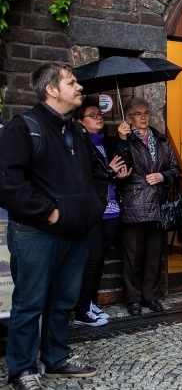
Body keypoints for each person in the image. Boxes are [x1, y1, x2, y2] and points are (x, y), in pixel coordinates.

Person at [0, 62, 107, 390]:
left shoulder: (75, 130)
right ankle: (21, 370)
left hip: (76, 233)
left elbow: (98, 173)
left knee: (62, 301)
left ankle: (56, 358)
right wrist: (51, 212)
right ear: (51, 90)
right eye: (72, 82)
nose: (79, 87)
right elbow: (8, 185)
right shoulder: (23, 128)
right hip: (35, 234)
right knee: (29, 304)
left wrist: (93, 208)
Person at [116, 97, 181, 316]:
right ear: (129, 118)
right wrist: (123, 141)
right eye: (138, 114)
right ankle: (133, 299)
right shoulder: (124, 140)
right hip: (134, 202)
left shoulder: (160, 139)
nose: (143, 117)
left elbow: (175, 168)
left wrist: (162, 176)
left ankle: (149, 296)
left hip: (157, 203)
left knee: (154, 254)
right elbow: (120, 170)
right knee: (133, 255)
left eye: (146, 113)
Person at [73, 97, 132, 326]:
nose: (99, 118)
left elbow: (122, 162)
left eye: (99, 114)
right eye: (92, 115)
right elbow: (85, 177)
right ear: (80, 121)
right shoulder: (80, 144)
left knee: (100, 259)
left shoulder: (107, 142)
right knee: (92, 258)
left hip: (112, 206)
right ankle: (81, 310)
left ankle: (90, 303)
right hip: (93, 208)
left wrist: (123, 140)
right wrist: (108, 172)